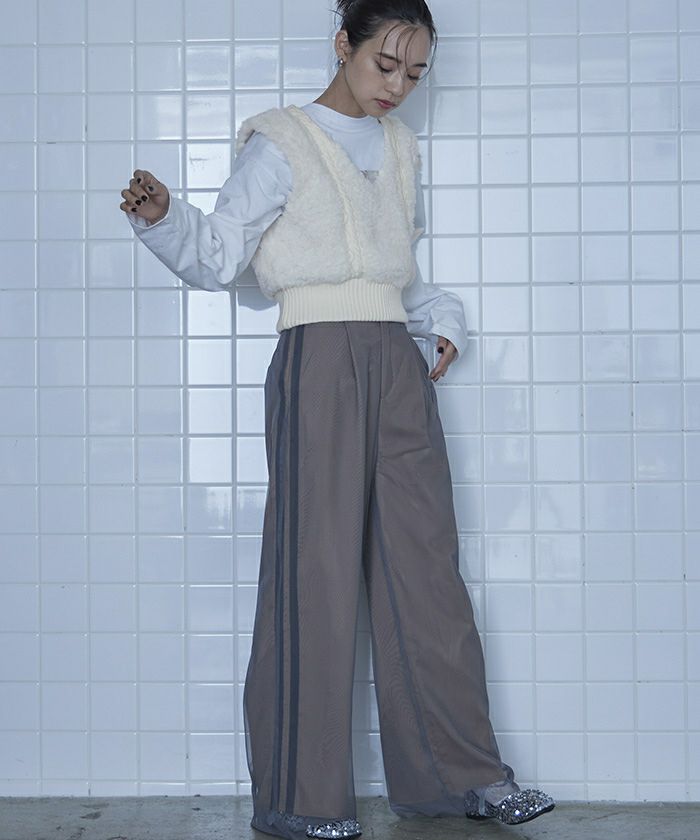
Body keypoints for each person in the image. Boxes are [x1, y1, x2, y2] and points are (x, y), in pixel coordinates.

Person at [119, 2, 556, 838]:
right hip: (317, 362)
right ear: (342, 45)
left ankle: (459, 778)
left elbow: (393, 269)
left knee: (427, 572)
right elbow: (220, 255)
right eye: (385, 64)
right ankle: (300, 799)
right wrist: (163, 216)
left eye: (416, 73)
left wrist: (442, 321)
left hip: (397, 364)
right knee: (313, 574)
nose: (399, 86)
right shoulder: (280, 141)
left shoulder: (399, 147)